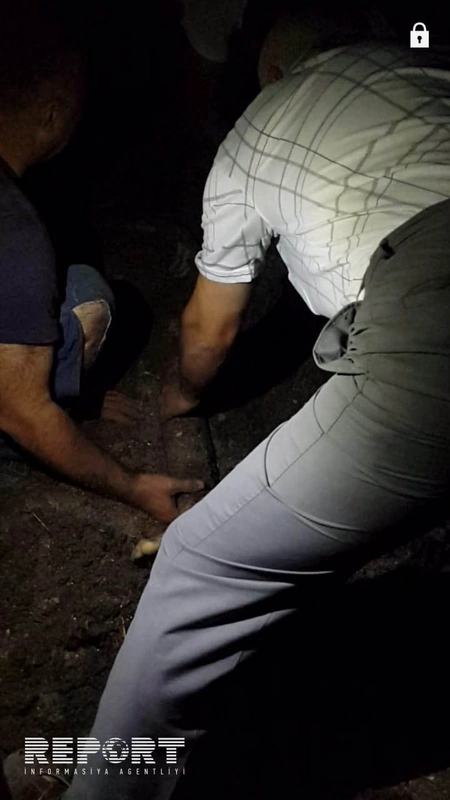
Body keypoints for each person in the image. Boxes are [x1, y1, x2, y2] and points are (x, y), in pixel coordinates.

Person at [15, 7, 450, 800]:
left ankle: (104, 784)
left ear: (271, 72)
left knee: (195, 565)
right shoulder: (418, 66)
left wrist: (180, 393)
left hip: (435, 292)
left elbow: (209, 329)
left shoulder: (261, 126)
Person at [0, 14, 203, 518]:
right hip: (11, 405)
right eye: (75, 109)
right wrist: (133, 485)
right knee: (89, 295)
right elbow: (20, 411)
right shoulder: (17, 232)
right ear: (50, 116)